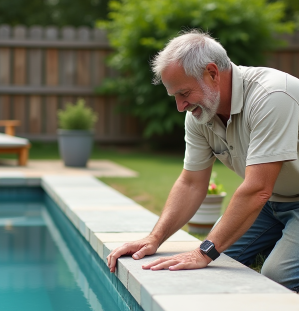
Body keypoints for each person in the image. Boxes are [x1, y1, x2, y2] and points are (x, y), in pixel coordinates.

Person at [107, 29, 299, 292]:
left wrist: (203, 252)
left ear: (212, 73)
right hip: (273, 203)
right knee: (224, 259)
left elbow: (257, 189)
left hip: (271, 196)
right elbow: (191, 183)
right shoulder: (201, 115)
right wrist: (154, 238)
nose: (180, 106)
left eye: (183, 93)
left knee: (277, 276)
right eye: (174, 96)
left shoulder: (272, 96)